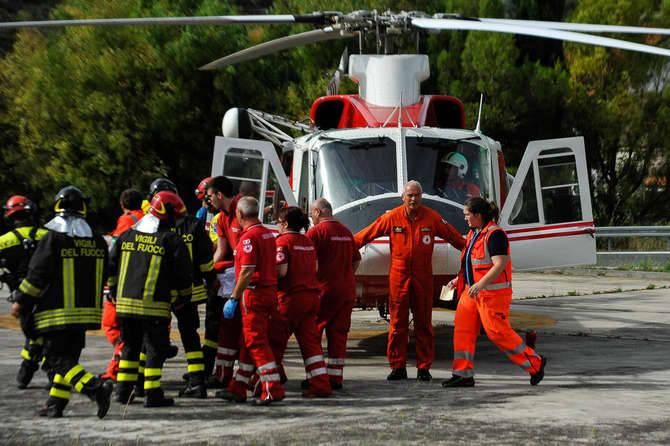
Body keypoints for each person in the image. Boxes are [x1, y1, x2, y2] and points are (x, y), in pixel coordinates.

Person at [10, 186, 113, 418]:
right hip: (86, 314)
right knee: (69, 359)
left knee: (57, 360)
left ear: (57, 207)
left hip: (56, 313)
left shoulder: (53, 238)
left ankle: (95, 388)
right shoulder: (96, 240)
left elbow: (37, 274)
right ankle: (55, 404)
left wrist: (21, 301)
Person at [355, 180, 465, 381]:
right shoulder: (391, 217)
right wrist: (344, 245)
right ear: (403, 198)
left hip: (423, 277)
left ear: (421, 197)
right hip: (399, 276)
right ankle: (398, 367)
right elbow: (366, 235)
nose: (413, 199)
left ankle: (424, 368)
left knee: (424, 323)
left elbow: (456, 239)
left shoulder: (432, 218)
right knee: (398, 324)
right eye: (410, 195)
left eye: (417, 195)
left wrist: (473, 252)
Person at [442, 197, 547, 388]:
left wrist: (480, 284)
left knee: (498, 333)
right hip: (471, 292)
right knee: (463, 331)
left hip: (491, 295)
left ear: (477, 215)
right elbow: (471, 264)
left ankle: (535, 363)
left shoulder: (495, 235)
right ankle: (463, 374)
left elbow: (499, 265)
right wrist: (459, 280)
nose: (464, 218)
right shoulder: (473, 234)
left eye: (467, 214)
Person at [109, 191, 193, 407]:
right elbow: (183, 273)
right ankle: (152, 393)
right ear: (168, 214)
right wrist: (183, 296)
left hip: (125, 305)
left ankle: (123, 391)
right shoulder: (171, 239)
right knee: (155, 349)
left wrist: (113, 290)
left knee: (130, 347)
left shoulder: (127, 235)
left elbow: (111, 265)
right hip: (154, 307)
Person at [147, 178, 217, 398]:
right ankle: (197, 382)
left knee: (150, 337)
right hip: (190, 292)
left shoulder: (148, 224)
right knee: (190, 337)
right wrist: (211, 280)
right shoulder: (193, 225)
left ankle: (142, 383)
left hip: (159, 293)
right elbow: (206, 259)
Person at [217, 196, 285, 405]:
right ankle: (239, 386)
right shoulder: (267, 234)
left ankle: (272, 388)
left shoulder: (248, 238)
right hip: (268, 293)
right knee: (248, 342)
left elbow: (247, 271)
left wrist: (234, 297)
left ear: (239, 214)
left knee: (256, 342)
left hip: (254, 295)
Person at [273, 206, 332, 398]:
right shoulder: (307, 242)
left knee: (275, 341)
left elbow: (281, 271)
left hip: (290, 299)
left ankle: (269, 382)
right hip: (311, 298)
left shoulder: (282, 242)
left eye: (279, 223)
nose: (277, 226)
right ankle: (320, 385)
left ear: (286, 223)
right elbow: (314, 268)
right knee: (311, 345)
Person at [305, 198, 360, 390]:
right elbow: (356, 260)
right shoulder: (346, 231)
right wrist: (344, 275)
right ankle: (335, 377)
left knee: (313, 334)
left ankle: (316, 376)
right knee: (339, 335)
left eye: (312, 213)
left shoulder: (316, 232)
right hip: (347, 290)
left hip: (324, 290)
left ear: (319, 212)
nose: (311, 217)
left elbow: (306, 261)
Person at [1, 195, 49, 389]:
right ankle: (36, 369)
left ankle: (29, 368)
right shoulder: (47, 235)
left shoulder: (5, 240)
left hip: (22, 298)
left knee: (33, 334)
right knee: (42, 335)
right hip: (49, 295)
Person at [100, 189, 147, 381]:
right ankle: (123, 366)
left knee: (111, 325)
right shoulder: (147, 218)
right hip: (142, 280)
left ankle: (117, 368)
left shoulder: (126, 220)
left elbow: (115, 251)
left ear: (122, 205)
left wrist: (110, 283)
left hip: (124, 281)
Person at [206, 176, 241, 387]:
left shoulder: (242, 211)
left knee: (246, 332)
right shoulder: (220, 218)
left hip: (245, 276)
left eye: (210, 196)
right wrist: (208, 271)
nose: (208, 200)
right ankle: (223, 375)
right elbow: (221, 250)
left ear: (219, 195)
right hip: (232, 275)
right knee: (226, 330)